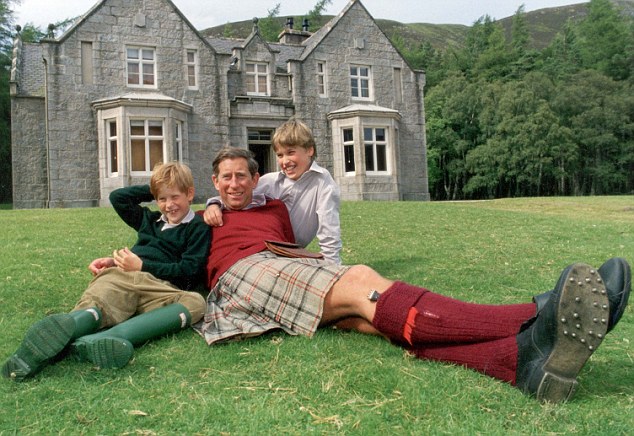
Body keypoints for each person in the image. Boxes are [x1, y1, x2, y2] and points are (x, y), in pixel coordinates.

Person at [194, 147, 631, 403]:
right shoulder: (200, 218)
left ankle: (520, 363)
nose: (234, 184)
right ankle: (532, 316)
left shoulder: (274, 208)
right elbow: (149, 217)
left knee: (369, 317)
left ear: (257, 178)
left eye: (242, 176)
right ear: (213, 181)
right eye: (225, 178)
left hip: (288, 263)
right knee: (362, 282)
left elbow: (294, 242)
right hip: (243, 274)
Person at [2, 162, 210, 381]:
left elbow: (189, 270)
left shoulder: (198, 226)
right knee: (99, 303)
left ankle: (104, 339)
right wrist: (157, 187)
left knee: (196, 303)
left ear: (190, 193)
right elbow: (118, 197)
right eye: (162, 199)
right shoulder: (149, 221)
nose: (169, 205)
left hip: (158, 288)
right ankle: (63, 333)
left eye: (175, 197)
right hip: (122, 275)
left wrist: (142, 266)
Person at [204, 118, 342, 264]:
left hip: (290, 252)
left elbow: (329, 234)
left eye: (291, 152)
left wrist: (332, 269)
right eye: (280, 155)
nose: (285, 161)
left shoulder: (324, 184)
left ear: (309, 150)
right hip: (260, 246)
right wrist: (213, 204)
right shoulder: (270, 181)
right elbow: (236, 194)